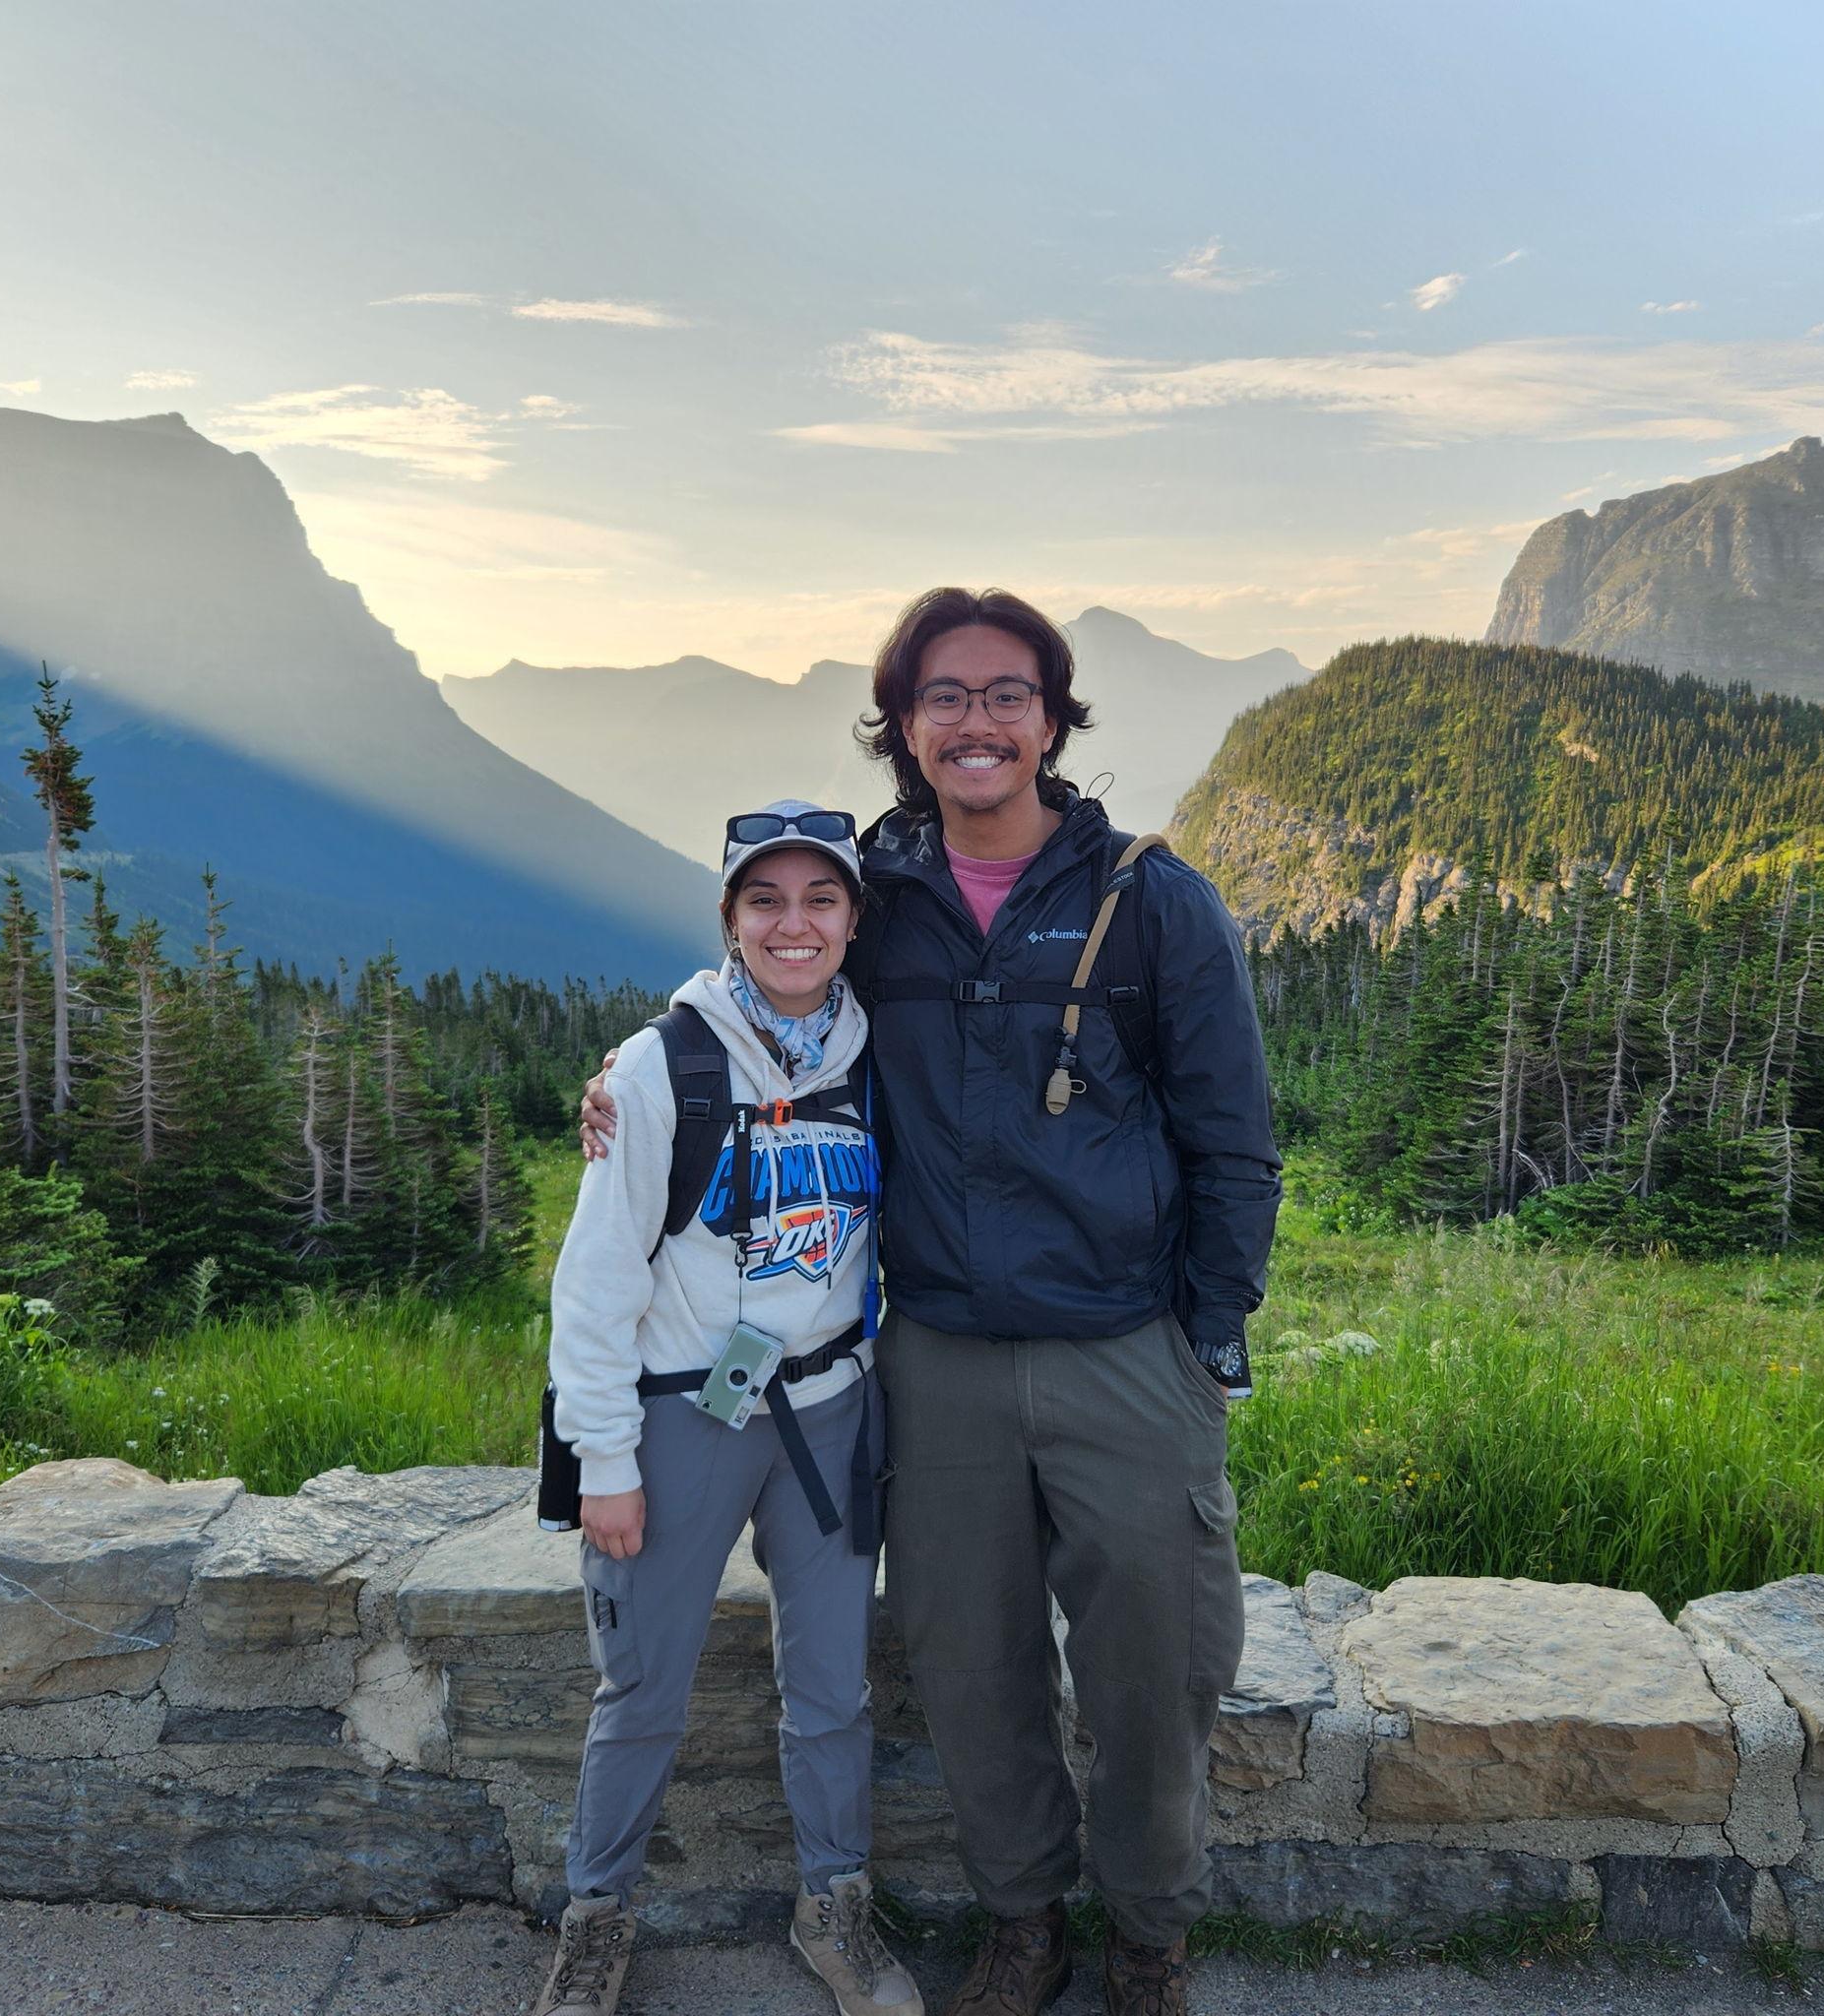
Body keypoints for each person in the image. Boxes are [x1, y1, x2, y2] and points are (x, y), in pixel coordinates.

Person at [583, 591, 1283, 2016]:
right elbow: (771, 962)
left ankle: (1149, 1938)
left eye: (1007, 693)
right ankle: (1023, 1919)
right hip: (943, 1354)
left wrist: (1210, 1337)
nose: (977, 720)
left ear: (1052, 717)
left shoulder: (1150, 898)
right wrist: (628, 1071)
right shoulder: (881, 894)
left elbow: (1235, 1135)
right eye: (945, 696)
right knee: (971, 1668)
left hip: (1126, 1346)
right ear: (904, 726)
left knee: (1159, 1673)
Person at [537, 802, 923, 2016]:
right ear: (729, 919)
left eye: (820, 899)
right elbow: (596, 1276)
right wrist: (602, 1455)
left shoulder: (879, 1057)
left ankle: (835, 1908)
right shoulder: (663, 1067)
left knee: (832, 1688)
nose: (793, 923)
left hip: (826, 1412)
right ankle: (595, 1917)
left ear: (853, 920)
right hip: (680, 1417)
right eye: (766, 900)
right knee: (641, 1685)